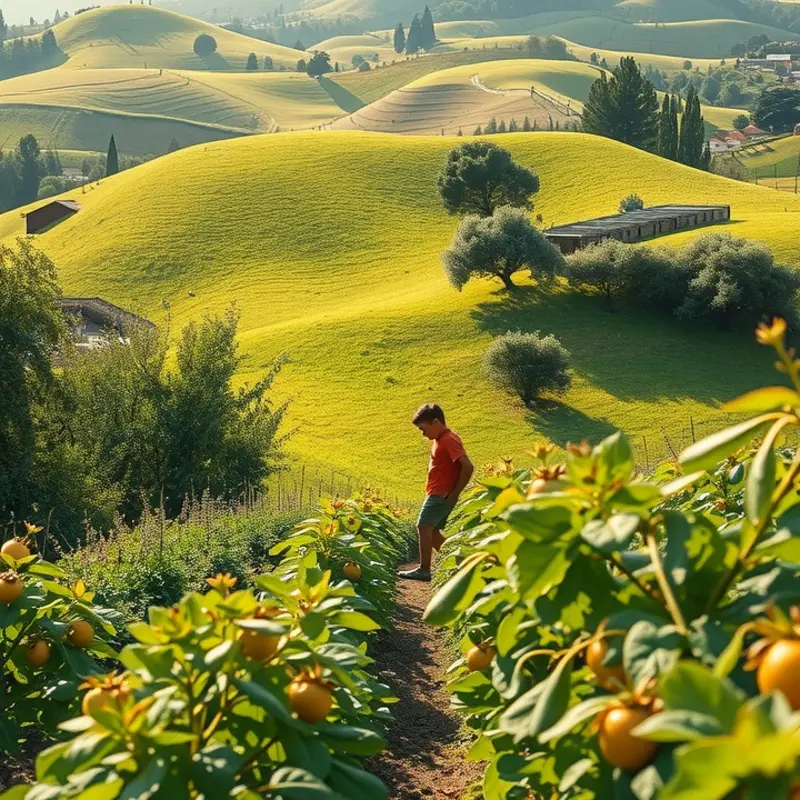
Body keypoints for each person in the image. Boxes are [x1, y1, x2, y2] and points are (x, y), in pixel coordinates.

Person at [399, 403, 473, 582]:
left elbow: (468, 466)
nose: (423, 434)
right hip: (438, 492)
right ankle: (466, 565)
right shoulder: (440, 440)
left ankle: (424, 569)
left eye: (423, 429)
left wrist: (454, 494)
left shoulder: (448, 439)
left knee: (423, 526)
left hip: (441, 493)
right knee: (432, 534)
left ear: (436, 422)